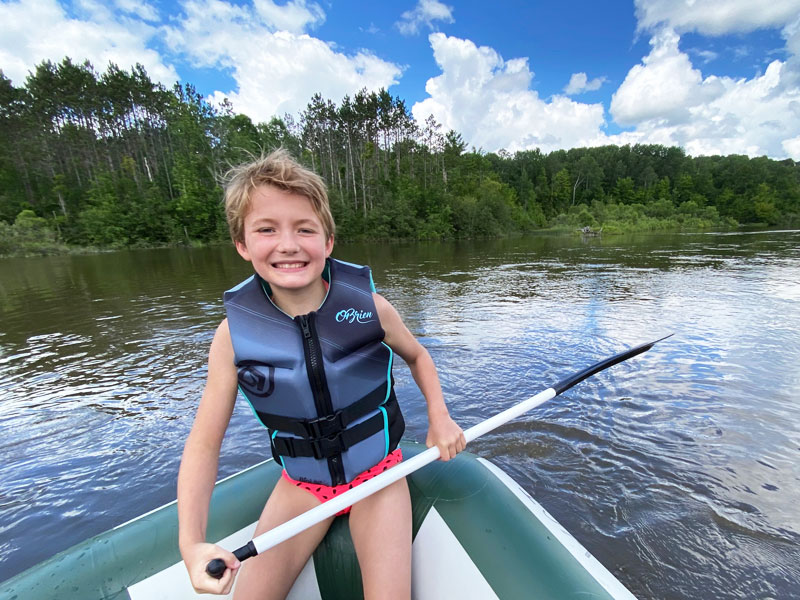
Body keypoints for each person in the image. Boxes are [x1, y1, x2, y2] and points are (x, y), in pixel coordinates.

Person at [177, 148, 466, 599]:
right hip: (301, 487)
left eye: (304, 229)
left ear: (328, 242)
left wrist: (440, 417)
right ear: (242, 244)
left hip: (379, 477)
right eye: (267, 230)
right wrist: (191, 543)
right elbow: (203, 443)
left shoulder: (370, 308)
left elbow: (418, 357)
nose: (288, 244)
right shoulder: (232, 337)